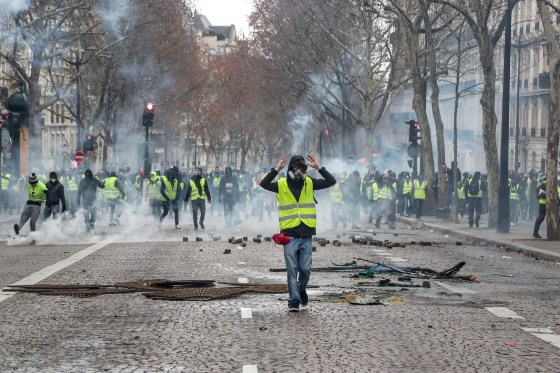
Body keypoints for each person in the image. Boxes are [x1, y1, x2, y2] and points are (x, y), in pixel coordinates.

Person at [260, 154, 336, 312]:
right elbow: (264, 183)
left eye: (302, 168)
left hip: (306, 233)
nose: (299, 171)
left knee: (305, 269)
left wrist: (318, 167)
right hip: (289, 235)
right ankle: (294, 300)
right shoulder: (281, 184)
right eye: (297, 168)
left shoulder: (309, 183)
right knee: (292, 269)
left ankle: (301, 290)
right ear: (290, 170)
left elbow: (331, 181)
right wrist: (276, 169)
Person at [77, 168, 105, 233]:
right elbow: (102, 186)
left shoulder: (85, 181)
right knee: (90, 214)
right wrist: (103, 183)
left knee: (89, 214)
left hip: (89, 201)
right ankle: (89, 226)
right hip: (89, 201)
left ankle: (89, 225)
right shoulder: (92, 180)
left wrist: (78, 201)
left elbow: (79, 192)